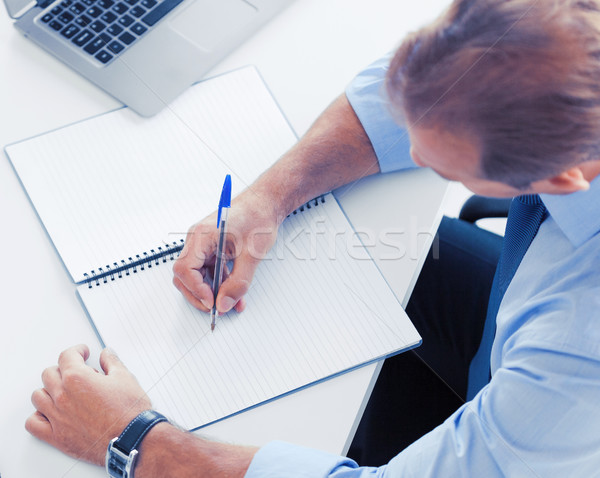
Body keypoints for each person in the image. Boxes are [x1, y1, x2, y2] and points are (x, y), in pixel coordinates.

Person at [26, 0, 600, 476]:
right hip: (514, 312)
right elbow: (395, 101)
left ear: (561, 178)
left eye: (444, 165)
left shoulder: (581, 341)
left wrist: (137, 441)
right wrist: (267, 199)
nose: (414, 152)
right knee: (394, 252)